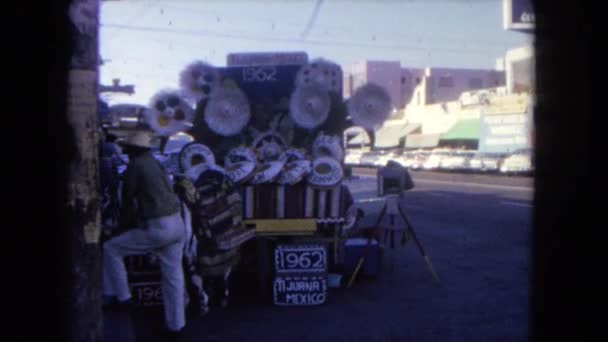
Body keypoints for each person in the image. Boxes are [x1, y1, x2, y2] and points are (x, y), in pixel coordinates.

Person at [102, 130, 187, 338]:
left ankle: (121, 297)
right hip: (177, 224)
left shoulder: (135, 165)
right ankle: (176, 327)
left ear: (133, 150)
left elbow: (128, 201)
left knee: (111, 248)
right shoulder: (154, 162)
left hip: (159, 227)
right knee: (173, 278)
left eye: (128, 149)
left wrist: (123, 226)